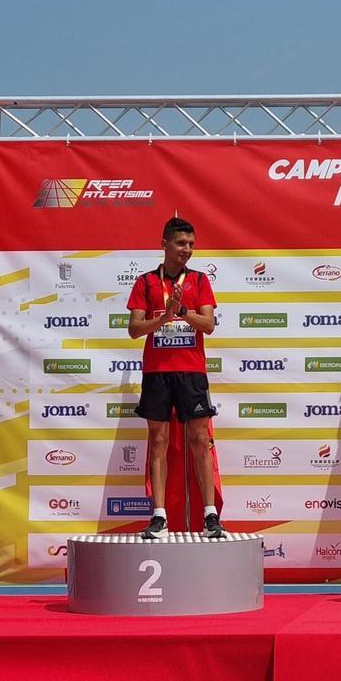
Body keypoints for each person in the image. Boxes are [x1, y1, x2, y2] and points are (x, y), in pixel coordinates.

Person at [127, 216, 224, 539]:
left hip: (191, 372)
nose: (187, 250)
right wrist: (164, 317)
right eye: (181, 243)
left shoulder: (198, 280)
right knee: (158, 442)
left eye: (191, 245)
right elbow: (134, 330)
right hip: (157, 373)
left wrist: (181, 312)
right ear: (164, 244)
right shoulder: (145, 282)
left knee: (200, 440)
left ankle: (210, 515)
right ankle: (159, 516)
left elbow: (208, 325)